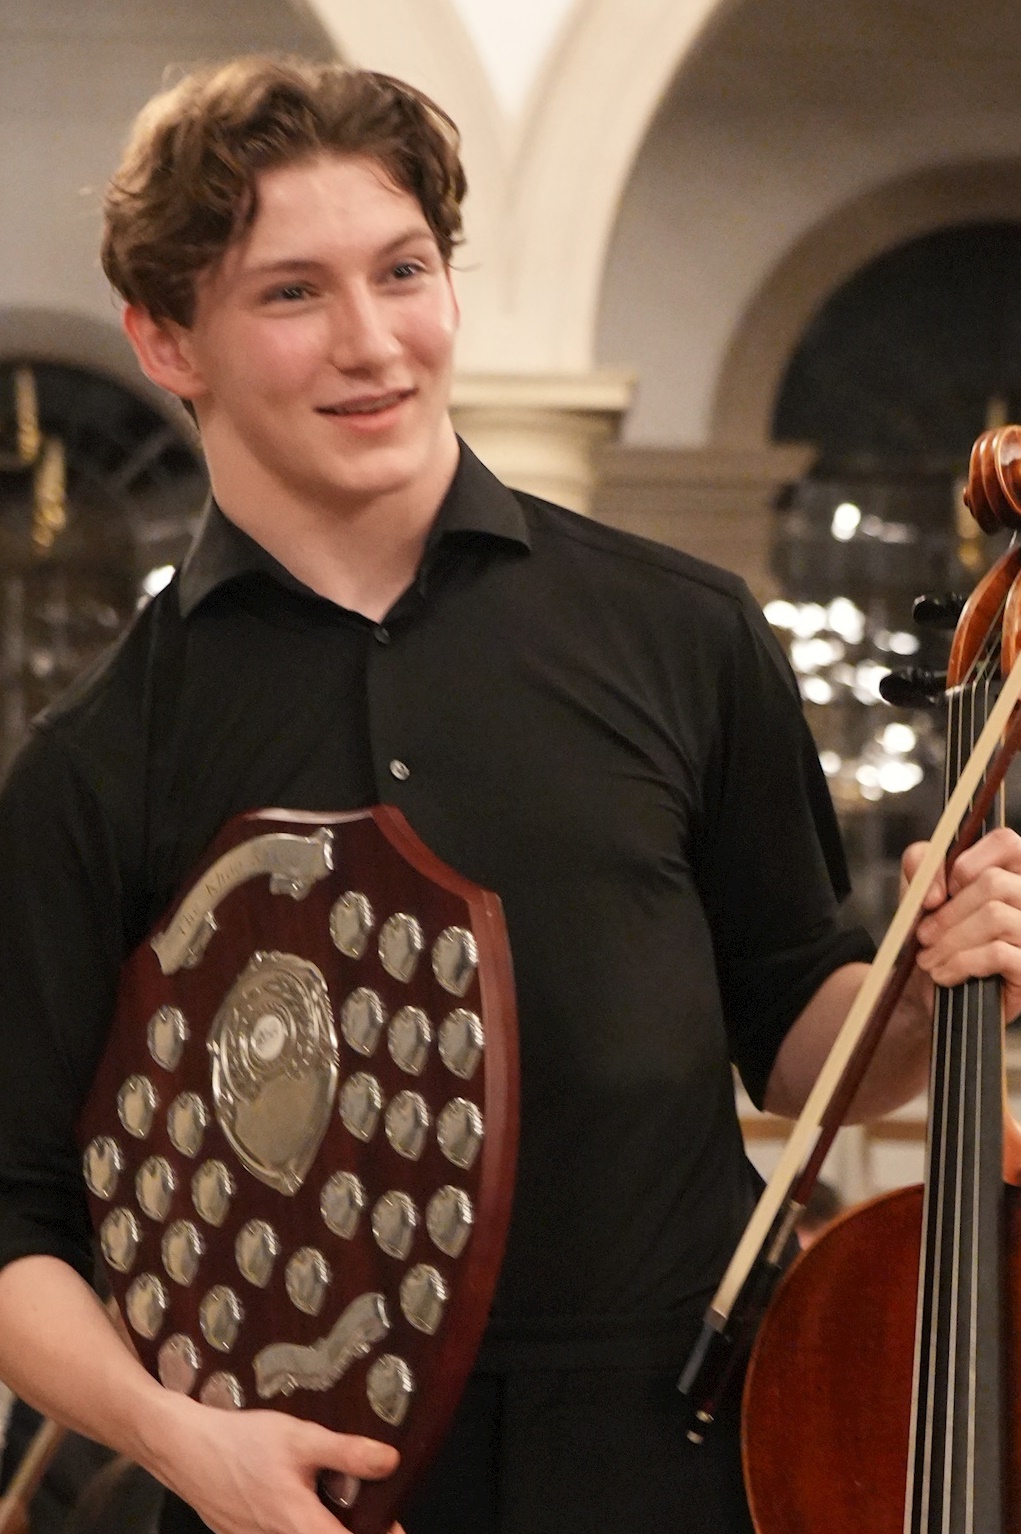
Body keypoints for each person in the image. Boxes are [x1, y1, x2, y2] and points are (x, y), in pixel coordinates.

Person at [1, 54, 1020, 1534]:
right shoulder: (99, 759)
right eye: (293, 293)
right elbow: (14, 1217)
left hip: (678, 1462)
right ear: (166, 339)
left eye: (403, 269)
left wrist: (919, 997)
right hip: (293, 1492)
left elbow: (801, 1039)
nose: (374, 341)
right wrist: (182, 1445)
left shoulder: (682, 633)